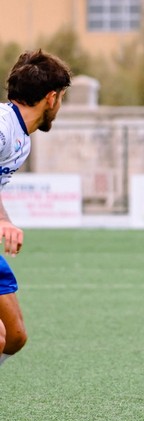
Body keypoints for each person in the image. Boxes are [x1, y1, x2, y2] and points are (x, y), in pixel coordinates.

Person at [0, 50, 71, 369]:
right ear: (51, 98)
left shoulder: (21, 138)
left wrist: (4, 221)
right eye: (62, 99)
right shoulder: (3, 128)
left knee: (13, 337)